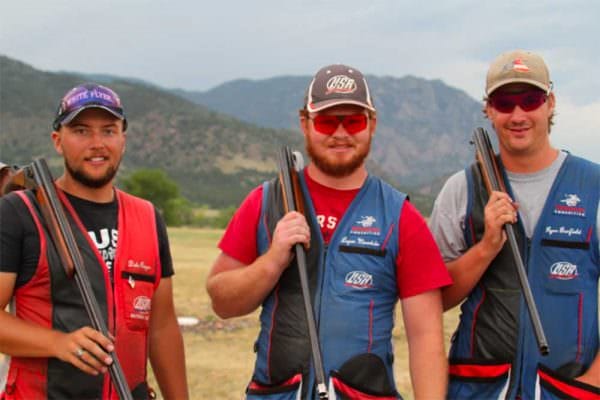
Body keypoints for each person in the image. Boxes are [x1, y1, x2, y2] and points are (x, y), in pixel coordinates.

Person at [206, 64, 452, 399]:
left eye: (352, 121)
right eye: (325, 121)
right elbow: (222, 302)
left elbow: (426, 338)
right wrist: (273, 260)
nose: (340, 133)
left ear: (372, 124)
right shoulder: (266, 202)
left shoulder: (400, 215)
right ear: (304, 124)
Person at [429, 49, 600, 399]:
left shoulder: (593, 187)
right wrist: (487, 246)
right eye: (505, 103)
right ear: (489, 109)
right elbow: (433, 301)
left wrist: (592, 382)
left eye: (530, 99)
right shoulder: (461, 189)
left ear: (550, 103)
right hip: (477, 389)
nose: (518, 114)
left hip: (568, 389)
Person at [0, 83, 188, 399]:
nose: (97, 144)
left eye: (109, 131)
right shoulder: (19, 212)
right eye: (82, 131)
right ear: (58, 141)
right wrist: (58, 343)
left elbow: (162, 327)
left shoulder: (148, 217)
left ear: (123, 140)